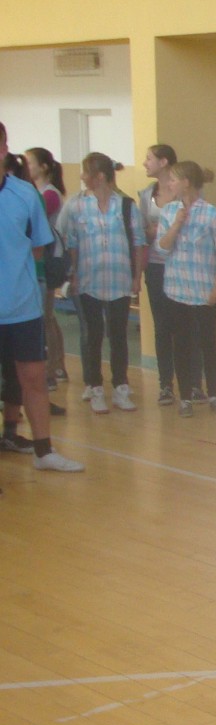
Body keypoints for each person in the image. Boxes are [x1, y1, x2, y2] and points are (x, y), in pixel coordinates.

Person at [0, 121, 83, 471]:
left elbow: (36, 249)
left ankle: (44, 451)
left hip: (22, 309)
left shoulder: (25, 194)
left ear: (4, 148)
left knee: (33, 378)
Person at [57, 153, 142, 413]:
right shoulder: (77, 206)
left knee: (118, 336)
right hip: (88, 281)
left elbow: (138, 244)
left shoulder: (126, 206)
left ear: (100, 176)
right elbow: (72, 243)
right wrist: (73, 274)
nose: (82, 177)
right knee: (92, 335)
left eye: (86, 172)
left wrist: (137, 277)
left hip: (119, 281)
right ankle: (94, 386)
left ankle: (120, 387)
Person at [155, 161, 216, 416]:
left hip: (204, 290)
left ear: (186, 183)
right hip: (176, 289)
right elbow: (162, 248)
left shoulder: (212, 214)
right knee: (181, 344)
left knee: (207, 342)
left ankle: (213, 395)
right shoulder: (169, 212)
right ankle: (185, 398)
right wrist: (176, 225)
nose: (169, 184)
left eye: (173, 179)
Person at [24, 147, 68, 391]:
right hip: (41, 261)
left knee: (46, 316)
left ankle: (53, 367)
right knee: (49, 316)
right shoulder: (35, 192)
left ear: (43, 167)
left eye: (30, 162)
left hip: (48, 260)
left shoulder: (49, 195)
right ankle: (58, 364)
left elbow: (32, 222)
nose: (26, 166)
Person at [139, 143, 180, 403]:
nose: (145, 163)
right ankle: (165, 383)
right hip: (155, 265)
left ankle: (191, 382)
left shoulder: (182, 191)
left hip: (181, 265)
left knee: (184, 325)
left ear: (163, 162)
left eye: (149, 158)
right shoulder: (146, 195)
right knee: (162, 325)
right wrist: (151, 232)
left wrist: (165, 230)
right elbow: (141, 230)